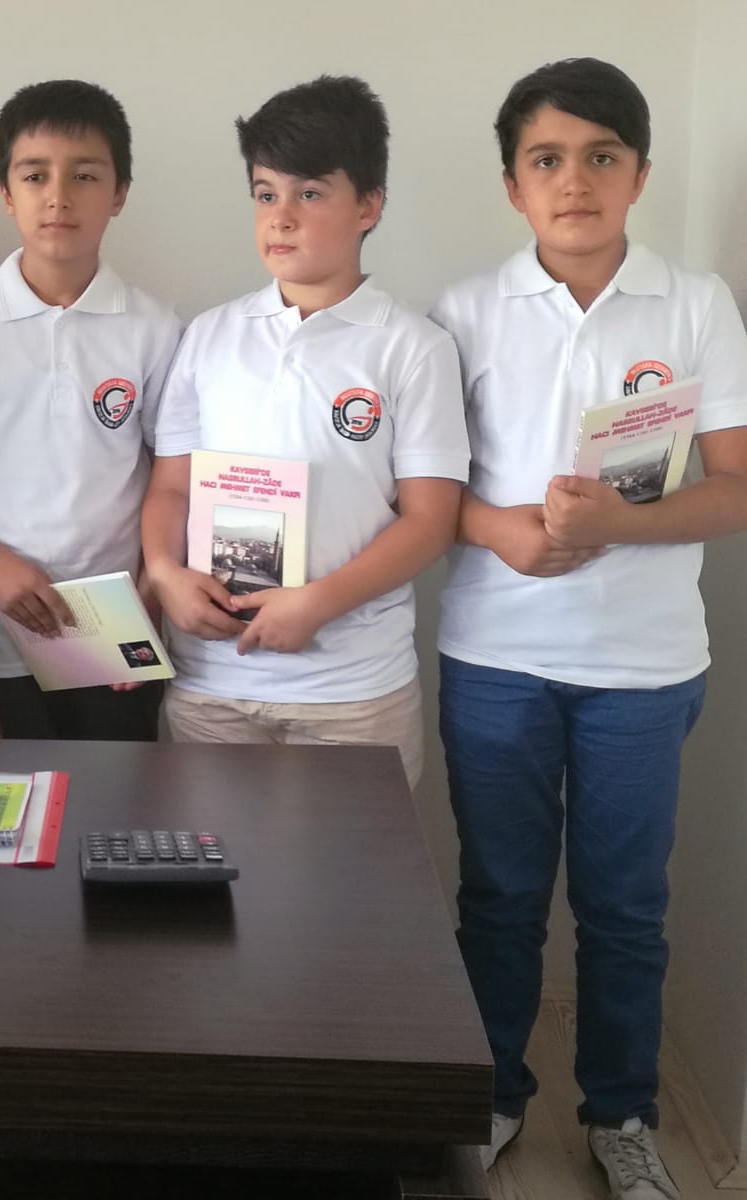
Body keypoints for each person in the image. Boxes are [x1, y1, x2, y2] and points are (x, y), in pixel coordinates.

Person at [429, 57, 747, 1195]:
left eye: (601, 157)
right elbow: (421, 491)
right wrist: (499, 530)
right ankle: (492, 1097)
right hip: (495, 656)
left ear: (640, 174)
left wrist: (623, 522)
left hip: (642, 669)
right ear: (513, 185)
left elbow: (736, 486)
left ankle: (622, 1115)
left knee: (624, 909)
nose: (575, 181)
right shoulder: (461, 311)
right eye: (547, 159)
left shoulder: (695, 303)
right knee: (499, 900)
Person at [140, 75, 468, 786]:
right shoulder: (208, 337)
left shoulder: (413, 347)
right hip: (212, 683)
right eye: (265, 194)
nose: (281, 218)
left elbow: (430, 521)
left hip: (351, 691)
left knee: (355, 865)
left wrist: (317, 603)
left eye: (309, 194)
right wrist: (164, 573)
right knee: (212, 861)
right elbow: (170, 488)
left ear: (369, 205)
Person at [0, 80, 182, 741]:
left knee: (114, 797)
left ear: (119, 193)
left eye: (84, 176)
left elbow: (173, 479)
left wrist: (153, 589)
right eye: (34, 175)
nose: (58, 196)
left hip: (114, 631)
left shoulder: (154, 328)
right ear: (6, 192)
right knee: (7, 797)